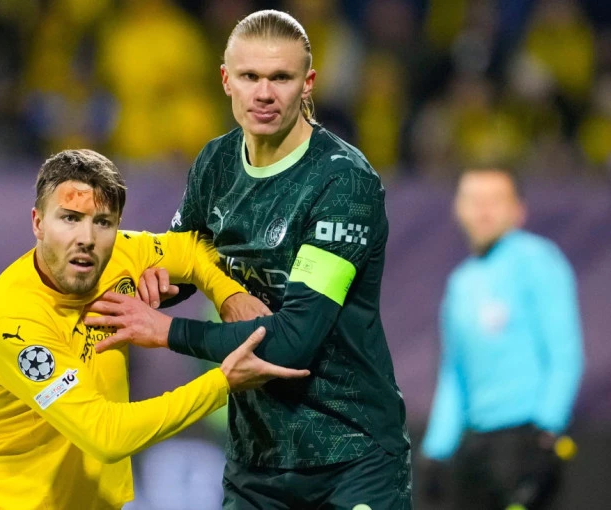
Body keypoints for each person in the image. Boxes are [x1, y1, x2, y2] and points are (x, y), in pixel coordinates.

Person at [85, 10, 411, 510]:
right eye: (250, 76)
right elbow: (183, 260)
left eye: (280, 77)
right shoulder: (216, 162)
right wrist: (154, 285)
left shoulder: (341, 181)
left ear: (307, 84)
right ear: (225, 80)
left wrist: (166, 331)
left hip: (350, 459)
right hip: (257, 462)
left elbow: (294, 341)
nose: (264, 93)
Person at [0, 149, 309, 510]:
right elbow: (106, 435)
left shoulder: (120, 255)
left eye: (103, 222)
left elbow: (191, 248)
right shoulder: (15, 320)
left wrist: (228, 294)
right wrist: (223, 383)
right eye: (70, 218)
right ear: (38, 223)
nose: (86, 238)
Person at [419, 167, 584, 510]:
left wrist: (546, 434)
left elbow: (565, 354)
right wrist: (436, 450)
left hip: (524, 442)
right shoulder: (460, 283)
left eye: (495, 200)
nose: (483, 210)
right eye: (473, 199)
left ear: (518, 210)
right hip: (474, 448)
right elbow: (454, 374)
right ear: (457, 208)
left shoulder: (538, 260)